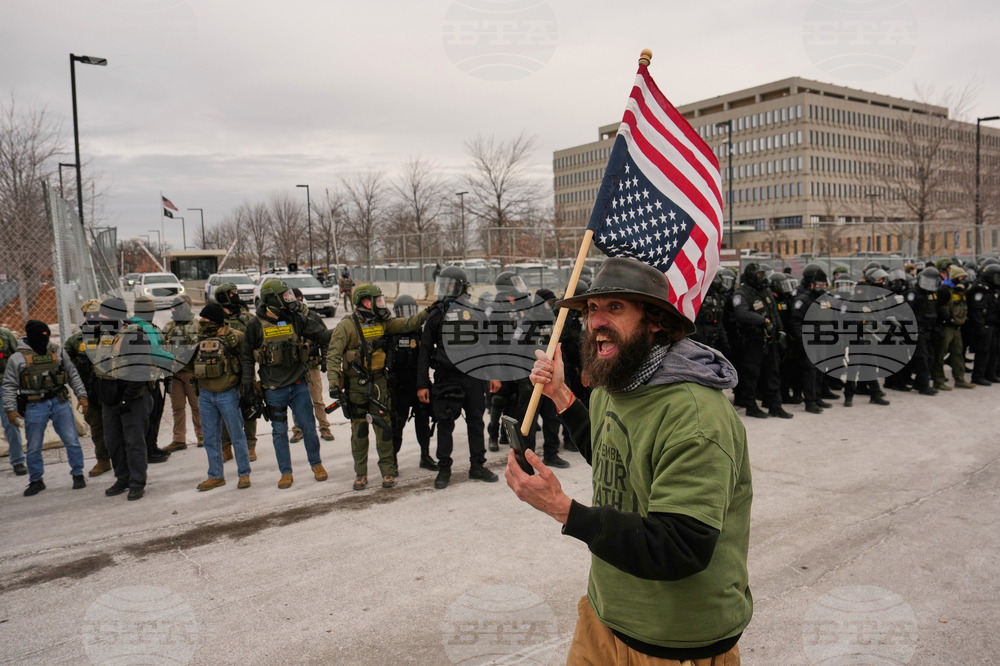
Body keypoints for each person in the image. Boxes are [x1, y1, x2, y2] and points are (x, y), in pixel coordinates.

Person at [508, 257, 750, 664]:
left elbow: (680, 546)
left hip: (673, 637)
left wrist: (563, 509)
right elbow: (610, 452)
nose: (596, 321)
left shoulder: (693, 414)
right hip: (605, 613)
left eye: (615, 308)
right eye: (591, 309)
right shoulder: (615, 382)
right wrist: (562, 396)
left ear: (655, 321)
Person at [327, 284, 430, 490]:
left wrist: (428, 312)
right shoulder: (347, 326)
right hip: (355, 387)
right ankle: (360, 474)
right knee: (359, 431)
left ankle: (388, 472)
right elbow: (333, 355)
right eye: (378, 301)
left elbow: (408, 323)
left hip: (379, 384)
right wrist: (333, 382)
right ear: (367, 303)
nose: (382, 305)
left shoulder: (384, 323)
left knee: (384, 428)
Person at [241, 278, 333, 489]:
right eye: (285, 296)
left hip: (299, 385)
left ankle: (316, 464)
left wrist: (346, 328)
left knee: (309, 428)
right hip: (273, 391)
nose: (290, 299)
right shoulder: (255, 325)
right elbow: (247, 357)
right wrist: (248, 386)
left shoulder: (297, 319)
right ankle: (286, 472)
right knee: (279, 432)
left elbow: (322, 335)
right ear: (273, 299)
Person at [417, 266, 499, 489]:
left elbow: (488, 345)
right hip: (446, 378)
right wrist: (422, 384)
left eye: (451, 285)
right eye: (443, 285)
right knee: (444, 424)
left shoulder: (476, 311)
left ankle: (477, 465)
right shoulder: (436, 314)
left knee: (476, 422)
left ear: (462, 287)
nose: (446, 289)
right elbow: (424, 352)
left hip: (474, 377)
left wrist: (494, 375)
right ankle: (444, 468)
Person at [2, 320, 89, 496]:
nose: (44, 339)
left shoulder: (57, 351)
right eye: (39, 335)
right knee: (34, 446)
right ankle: (36, 480)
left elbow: (72, 374)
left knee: (71, 440)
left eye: (46, 335)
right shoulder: (18, 358)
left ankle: (78, 474)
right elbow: (9, 385)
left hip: (59, 400)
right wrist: (11, 409)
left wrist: (82, 395)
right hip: (34, 404)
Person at [93, 298, 154, 501]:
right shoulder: (104, 335)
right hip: (109, 400)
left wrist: (126, 399)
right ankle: (123, 479)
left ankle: (137, 482)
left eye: (104, 316)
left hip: (132, 399)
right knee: (113, 443)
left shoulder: (134, 335)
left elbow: (141, 370)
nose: (100, 320)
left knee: (134, 442)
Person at [192, 303, 253, 490]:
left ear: (215, 320)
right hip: (205, 394)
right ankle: (216, 475)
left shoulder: (235, 337)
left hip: (228, 393)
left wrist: (248, 391)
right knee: (210, 438)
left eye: (205, 319)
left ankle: (244, 475)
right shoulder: (198, 338)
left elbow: (247, 364)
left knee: (237, 436)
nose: (201, 322)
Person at [387, 294, 437, 473]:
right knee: (397, 425)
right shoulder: (390, 334)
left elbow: (429, 358)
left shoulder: (422, 334)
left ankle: (425, 455)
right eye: (403, 311)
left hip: (420, 385)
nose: (407, 315)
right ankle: (392, 459)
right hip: (398, 388)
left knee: (424, 422)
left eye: (410, 311)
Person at [733, 263, 789, 418]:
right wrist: (763, 321)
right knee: (751, 375)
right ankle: (751, 407)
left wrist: (781, 330)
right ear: (751, 275)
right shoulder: (741, 293)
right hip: (753, 340)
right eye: (759, 275)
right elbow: (742, 313)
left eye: (763, 274)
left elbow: (774, 312)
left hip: (769, 340)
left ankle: (775, 406)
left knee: (773, 373)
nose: (762, 278)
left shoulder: (765, 291)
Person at [64, 299, 112, 476]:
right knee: (97, 427)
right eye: (90, 315)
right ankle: (103, 460)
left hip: (112, 391)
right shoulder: (75, 341)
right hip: (89, 393)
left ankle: (123, 458)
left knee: (117, 426)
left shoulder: (114, 335)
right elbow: (65, 366)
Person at [214, 282, 258, 461]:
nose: (236, 295)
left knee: (249, 407)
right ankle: (226, 446)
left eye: (236, 292)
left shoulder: (247, 318)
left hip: (245, 370)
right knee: (225, 410)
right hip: (223, 373)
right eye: (232, 293)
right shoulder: (216, 318)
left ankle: (250, 445)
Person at [289, 288, 335, 443]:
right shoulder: (288, 318)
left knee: (317, 399)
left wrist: (325, 358)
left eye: (300, 299)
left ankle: (324, 428)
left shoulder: (312, 316)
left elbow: (324, 338)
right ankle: (298, 429)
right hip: (295, 366)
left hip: (312, 364)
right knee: (296, 400)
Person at [132, 297, 173, 464]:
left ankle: (149, 448)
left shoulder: (128, 326)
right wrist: (172, 357)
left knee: (141, 418)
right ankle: (150, 449)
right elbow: (156, 352)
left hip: (133, 378)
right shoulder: (148, 328)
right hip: (150, 378)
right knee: (154, 414)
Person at [162, 295, 204, 451]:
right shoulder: (168, 327)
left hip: (192, 373)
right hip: (174, 375)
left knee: (197, 406)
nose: (176, 310)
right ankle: (179, 439)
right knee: (177, 408)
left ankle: (202, 436)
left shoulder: (198, 326)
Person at [905, 267, 942, 396]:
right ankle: (924, 386)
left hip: (929, 330)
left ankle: (918, 383)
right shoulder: (913, 293)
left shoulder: (932, 294)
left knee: (930, 357)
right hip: (918, 331)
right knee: (922, 359)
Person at [966, 263, 1000, 386]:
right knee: (983, 351)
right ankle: (978, 376)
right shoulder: (980, 288)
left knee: (994, 350)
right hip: (984, 324)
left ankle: (990, 374)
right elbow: (976, 310)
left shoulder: (992, 288)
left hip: (992, 324)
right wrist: (980, 326)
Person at [0, 325, 26, 475]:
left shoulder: (4, 334)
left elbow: (18, 357)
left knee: (11, 423)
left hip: (4, 386)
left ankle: (18, 461)